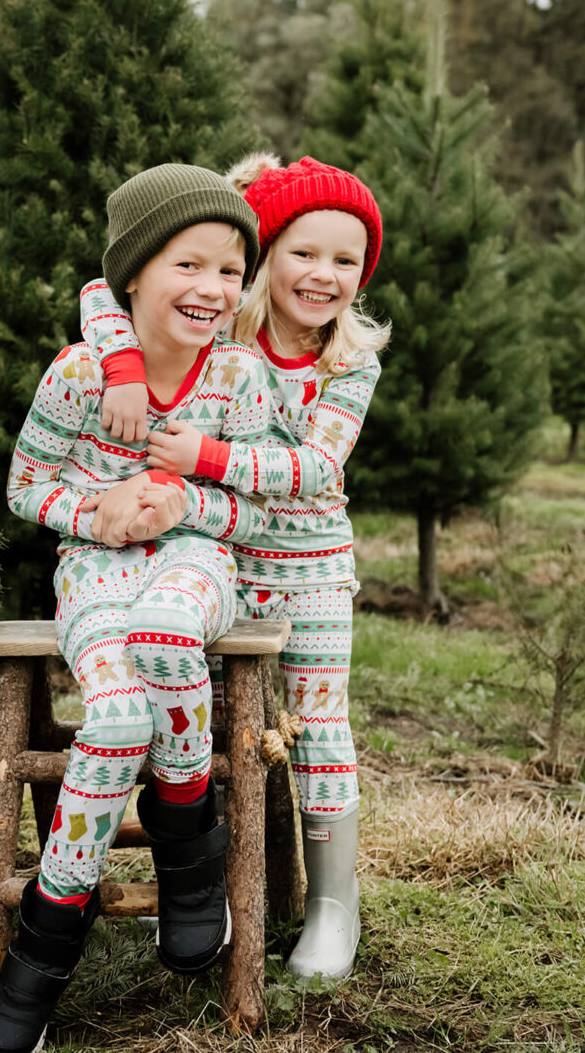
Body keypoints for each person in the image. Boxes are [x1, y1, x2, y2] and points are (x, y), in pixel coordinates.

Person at [0, 164, 276, 1053]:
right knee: (111, 714)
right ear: (135, 273)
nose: (213, 289)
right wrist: (95, 511)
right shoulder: (77, 373)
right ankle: (50, 926)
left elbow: (257, 507)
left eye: (230, 270)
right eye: (190, 265)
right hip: (95, 569)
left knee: (167, 641)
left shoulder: (238, 377)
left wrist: (191, 503)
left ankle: (187, 841)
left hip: (196, 562)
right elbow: (27, 486)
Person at [79, 153, 387, 980]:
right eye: (304, 252)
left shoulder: (348, 363)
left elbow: (317, 470)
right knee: (198, 722)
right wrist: (119, 366)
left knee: (321, 727)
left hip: (314, 568)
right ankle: (197, 887)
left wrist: (204, 453)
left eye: (346, 260)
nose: (323, 275)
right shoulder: (225, 329)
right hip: (216, 560)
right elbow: (102, 294)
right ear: (263, 256)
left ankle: (330, 905)